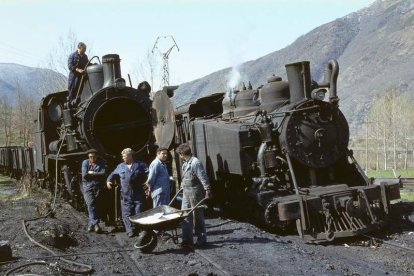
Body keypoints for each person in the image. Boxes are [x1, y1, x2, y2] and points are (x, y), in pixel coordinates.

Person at [176, 143, 212, 250]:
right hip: (186, 192)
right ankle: (187, 239)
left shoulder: (195, 162)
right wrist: (182, 185)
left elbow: (203, 177)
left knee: (197, 216)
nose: (180, 156)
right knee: (185, 214)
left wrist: (207, 190)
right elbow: (185, 177)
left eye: (180, 154)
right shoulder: (185, 163)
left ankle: (201, 239)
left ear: (182, 154)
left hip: (195, 192)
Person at [106, 148, 149, 237]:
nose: (123, 158)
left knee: (139, 210)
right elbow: (112, 174)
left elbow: (149, 172)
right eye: (123, 156)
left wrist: (148, 181)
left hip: (138, 192)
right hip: (125, 193)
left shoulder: (140, 164)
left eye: (124, 156)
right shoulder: (120, 166)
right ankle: (129, 230)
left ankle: (139, 229)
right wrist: (108, 181)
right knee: (126, 212)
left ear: (130, 156)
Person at [81, 149, 106, 233]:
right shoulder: (85, 162)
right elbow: (85, 175)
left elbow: (103, 173)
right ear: (88, 156)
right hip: (87, 186)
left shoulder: (101, 162)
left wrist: (91, 173)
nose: (92, 158)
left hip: (97, 186)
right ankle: (96, 224)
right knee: (90, 203)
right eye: (90, 156)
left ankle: (91, 224)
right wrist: (96, 173)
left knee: (96, 204)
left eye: (94, 157)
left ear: (97, 156)